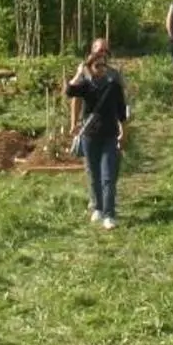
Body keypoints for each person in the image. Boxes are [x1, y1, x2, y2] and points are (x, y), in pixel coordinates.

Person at [64, 38, 128, 229]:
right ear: (90, 67)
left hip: (109, 134)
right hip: (89, 135)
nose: (101, 67)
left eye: (103, 64)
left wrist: (124, 132)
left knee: (108, 175)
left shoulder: (113, 84)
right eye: (97, 65)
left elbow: (122, 111)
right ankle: (98, 208)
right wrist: (77, 73)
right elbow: (69, 92)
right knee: (93, 173)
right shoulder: (85, 85)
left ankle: (109, 214)